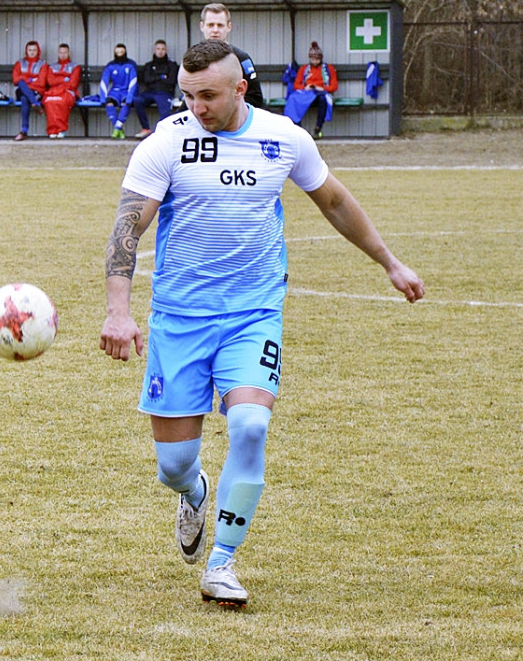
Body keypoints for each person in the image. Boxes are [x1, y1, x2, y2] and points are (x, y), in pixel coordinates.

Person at [99, 39, 424, 608]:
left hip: (252, 314)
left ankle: (221, 563)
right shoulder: (166, 143)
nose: (195, 106)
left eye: (207, 96)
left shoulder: (284, 139)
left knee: (249, 425)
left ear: (239, 89)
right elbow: (129, 227)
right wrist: (118, 311)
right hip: (179, 319)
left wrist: (390, 263)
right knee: (174, 466)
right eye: (187, 94)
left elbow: (337, 203)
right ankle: (193, 491)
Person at [199, 3, 264, 109]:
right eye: (210, 25)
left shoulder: (242, 58)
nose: (215, 30)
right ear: (202, 26)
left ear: (229, 27)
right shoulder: (195, 58)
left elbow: (255, 98)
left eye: (220, 25)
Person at [285, 42, 339, 139]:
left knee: (323, 99)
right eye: (312, 59)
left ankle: (318, 128)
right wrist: (305, 87)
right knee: (293, 98)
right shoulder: (304, 69)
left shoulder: (329, 69)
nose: (314, 61)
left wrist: (322, 88)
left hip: (320, 93)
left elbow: (334, 86)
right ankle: (297, 128)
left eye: (317, 59)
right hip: (306, 93)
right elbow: (296, 85)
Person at [132, 40, 179, 139]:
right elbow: (146, 79)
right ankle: (145, 129)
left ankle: (162, 135)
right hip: (150, 92)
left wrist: (155, 78)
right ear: (154, 50)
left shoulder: (172, 65)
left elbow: (171, 80)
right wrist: (162, 77)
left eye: (162, 49)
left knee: (165, 114)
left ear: (166, 50)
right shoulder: (149, 65)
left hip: (164, 93)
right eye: (158, 49)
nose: (160, 51)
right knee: (137, 100)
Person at [40, 43, 80, 139]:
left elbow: (73, 83)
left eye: (65, 52)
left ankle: (61, 129)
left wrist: (58, 80)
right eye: (61, 52)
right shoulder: (52, 66)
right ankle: (52, 130)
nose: (63, 55)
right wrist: (64, 78)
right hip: (53, 91)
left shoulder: (75, 66)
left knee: (61, 101)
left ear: (69, 53)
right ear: (58, 53)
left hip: (68, 91)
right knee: (49, 101)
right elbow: (50, 81)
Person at [99, 43, 138, 139]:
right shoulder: (110, 66)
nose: (119, 54)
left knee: (126, 103)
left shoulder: (131, 65)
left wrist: (129, 97)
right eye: (117, 52)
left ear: (125, 52)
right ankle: (119, 129)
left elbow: (133, 82)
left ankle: (116, 128)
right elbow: (104, 82)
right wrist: (103, 98)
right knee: (109, 102)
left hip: (126, 92)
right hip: (115, 92)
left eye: (121, 52)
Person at [12, 40, 47, 141]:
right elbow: (16, 80)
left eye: (34, 50)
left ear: (38, 51)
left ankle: (24, 131)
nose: (32, 52)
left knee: (24, 98)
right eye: (30, 50)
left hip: (36, 92)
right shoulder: (20, 63)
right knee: (21, 84)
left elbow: (41, 82)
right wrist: (32, 79)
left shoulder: (42, 65)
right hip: (22, 90)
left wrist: (24, 79)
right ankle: (35, 103)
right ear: (26, 51)